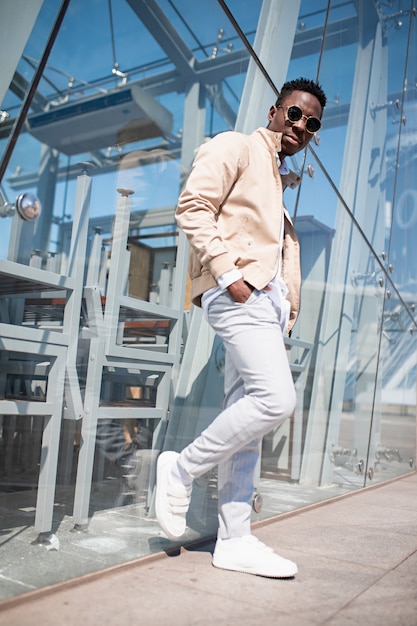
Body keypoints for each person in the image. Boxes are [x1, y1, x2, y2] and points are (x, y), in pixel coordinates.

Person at [155, 77, 327, 578]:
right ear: (275, 111)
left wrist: (279, 304)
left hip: (265, 306)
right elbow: (192, 206)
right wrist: (230, 276)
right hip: (239, 293)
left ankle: (234, 539)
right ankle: (181, 469)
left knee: (247, 419)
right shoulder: (235, 146)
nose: (301, 126)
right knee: (277, 399)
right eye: (295, 114)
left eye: (311, 124)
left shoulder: (277, 179)